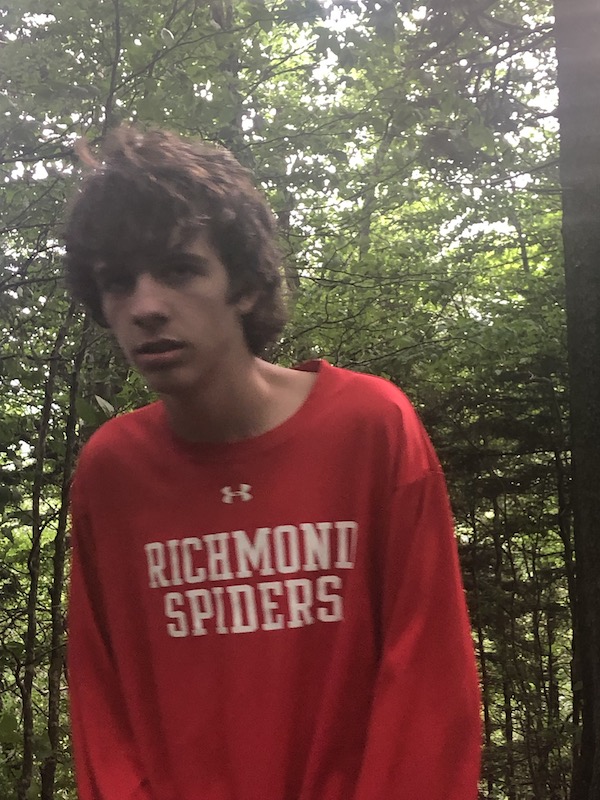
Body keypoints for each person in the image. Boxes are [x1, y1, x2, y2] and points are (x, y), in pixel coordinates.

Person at [64, 126, 481, 800]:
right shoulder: (113, 472)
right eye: (118, 282)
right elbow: (100, 704)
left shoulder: (368, 427)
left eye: (179, 270)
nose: (145, 307)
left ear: (245, 286)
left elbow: (429, 685)